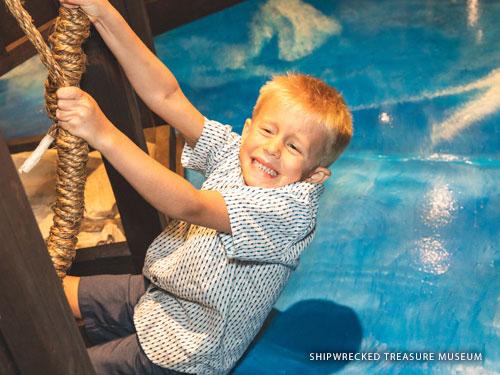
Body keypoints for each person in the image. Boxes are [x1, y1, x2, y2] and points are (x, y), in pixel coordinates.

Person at [58, 0, 353, 374]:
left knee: (63, 364)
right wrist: (102, 12)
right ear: (247, 128)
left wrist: (102, 133)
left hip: (186, 348)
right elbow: (167, 96)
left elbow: (191, 205)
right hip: (162, 293)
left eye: (294, 147)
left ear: (314, 175)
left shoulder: (289, 213)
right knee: (54, 292)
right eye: (267, 130)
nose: (272, 149)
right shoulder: (240, 151)